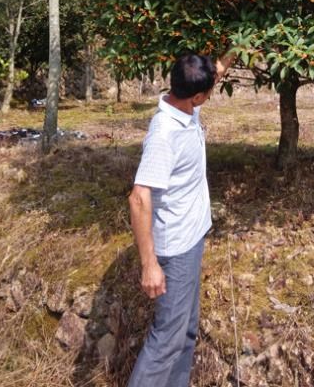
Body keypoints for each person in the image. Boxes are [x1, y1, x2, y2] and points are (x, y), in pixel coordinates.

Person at [127, 51, 234, 387]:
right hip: (175, 251)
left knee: (186, 331)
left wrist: (239, 48)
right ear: (198, 95)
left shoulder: (185, 105)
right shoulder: (164, 135)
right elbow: (139, 197)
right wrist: (150, 265)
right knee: (166, 341)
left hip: (191, 240)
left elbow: (214, 71)